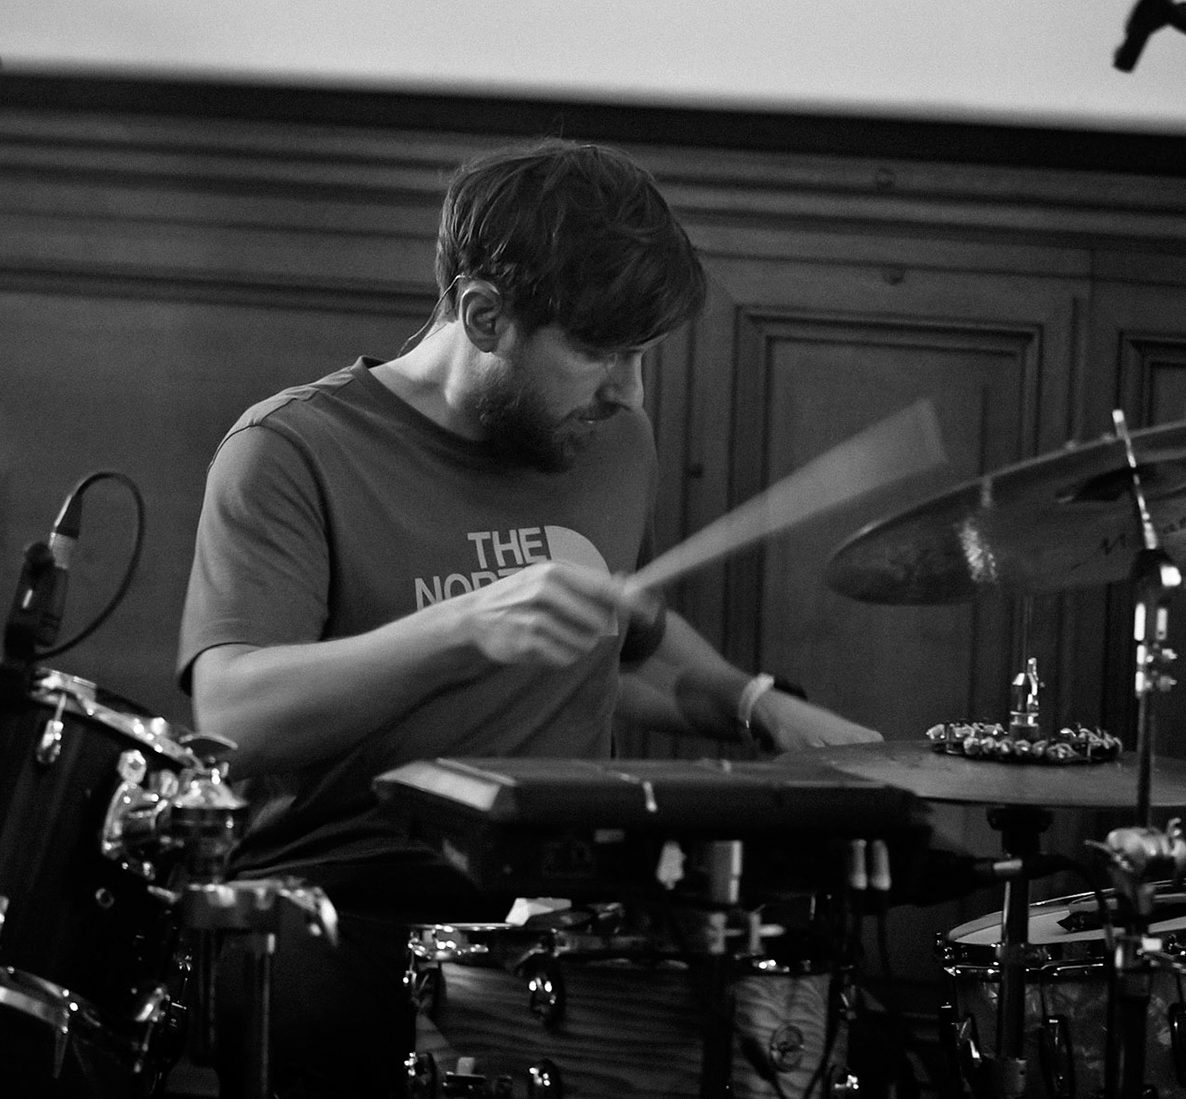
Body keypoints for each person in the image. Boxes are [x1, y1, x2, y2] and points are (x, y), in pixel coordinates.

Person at [176, 137, 880, 1096]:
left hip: (563, 893)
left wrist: (758, 704)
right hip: (348, 894)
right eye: (598, 352)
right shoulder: (290, 451)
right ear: (485, 314)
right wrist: (463, 626)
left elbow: (623, 643)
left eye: (640, 356)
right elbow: (231, 720)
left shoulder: (610, 441)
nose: (628, 391)